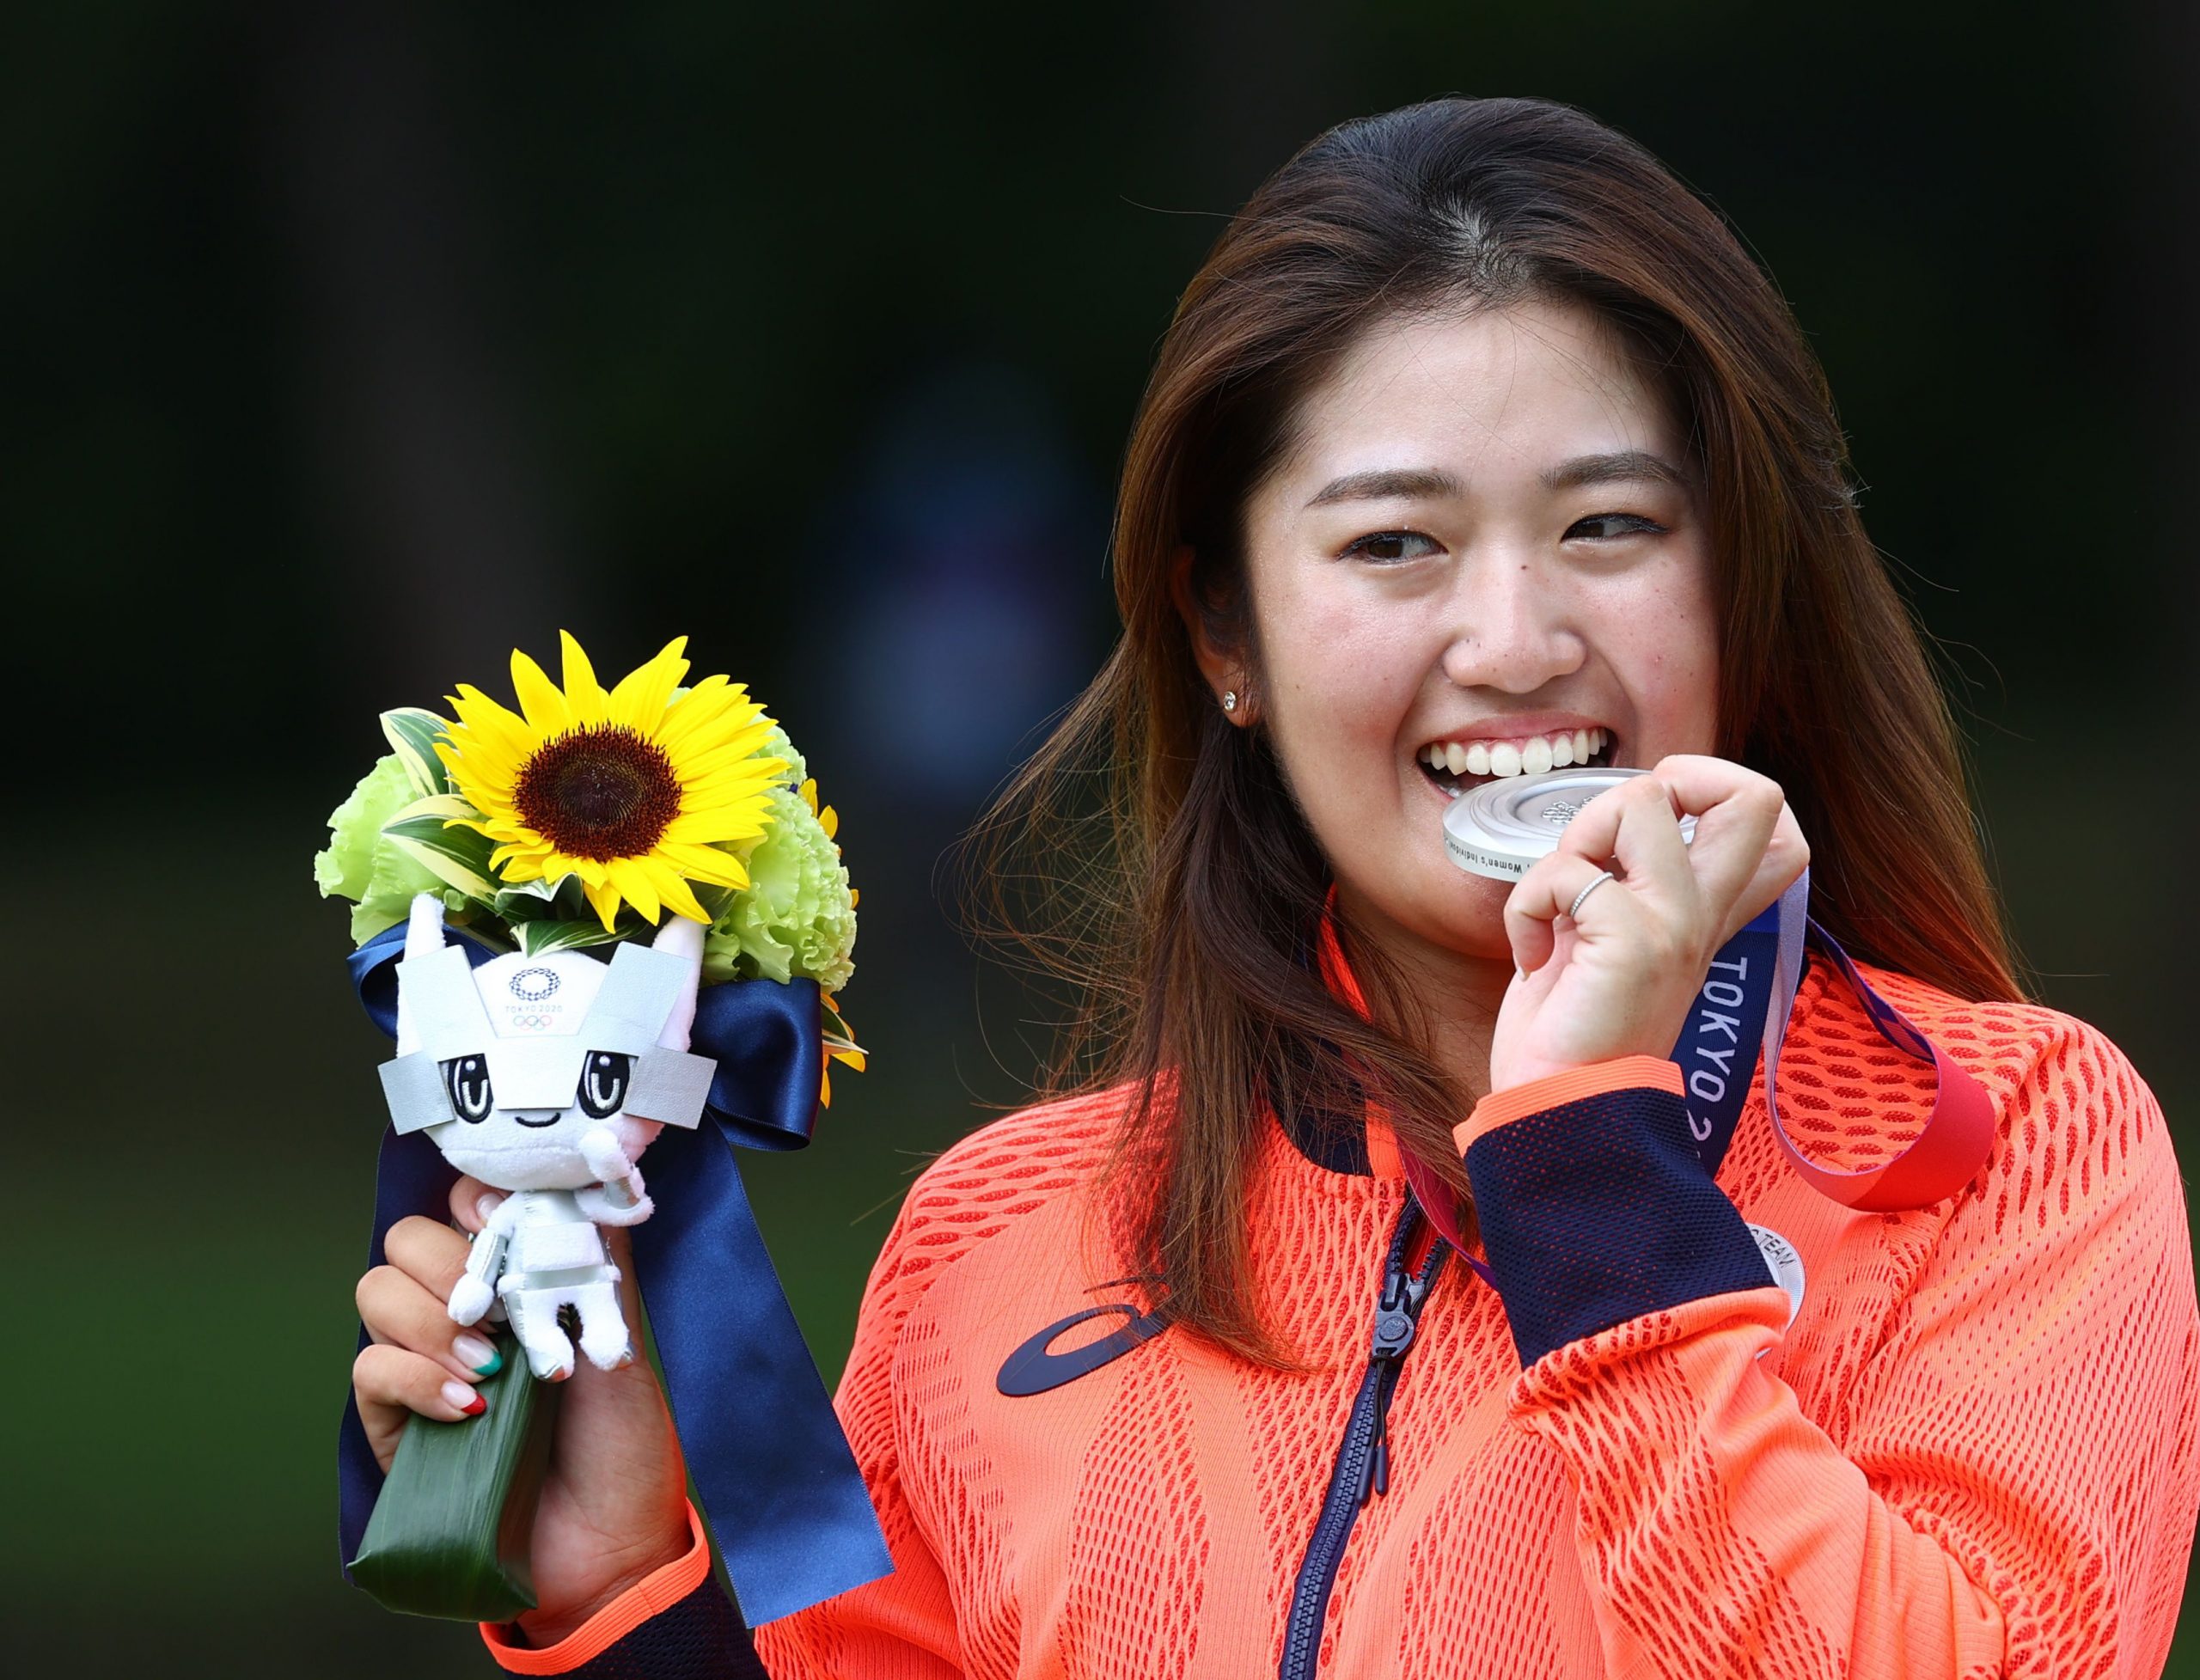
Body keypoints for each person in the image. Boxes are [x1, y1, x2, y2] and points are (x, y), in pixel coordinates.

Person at [349, 96, 2200, 1677]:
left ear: (1744, 591)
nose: (1511, 637)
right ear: (1222, 630)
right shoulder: (999, 1241)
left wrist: (1587, 1165)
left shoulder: (2002, 1155)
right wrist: (620, 1583)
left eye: (1608, 526)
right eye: (1393, 543)